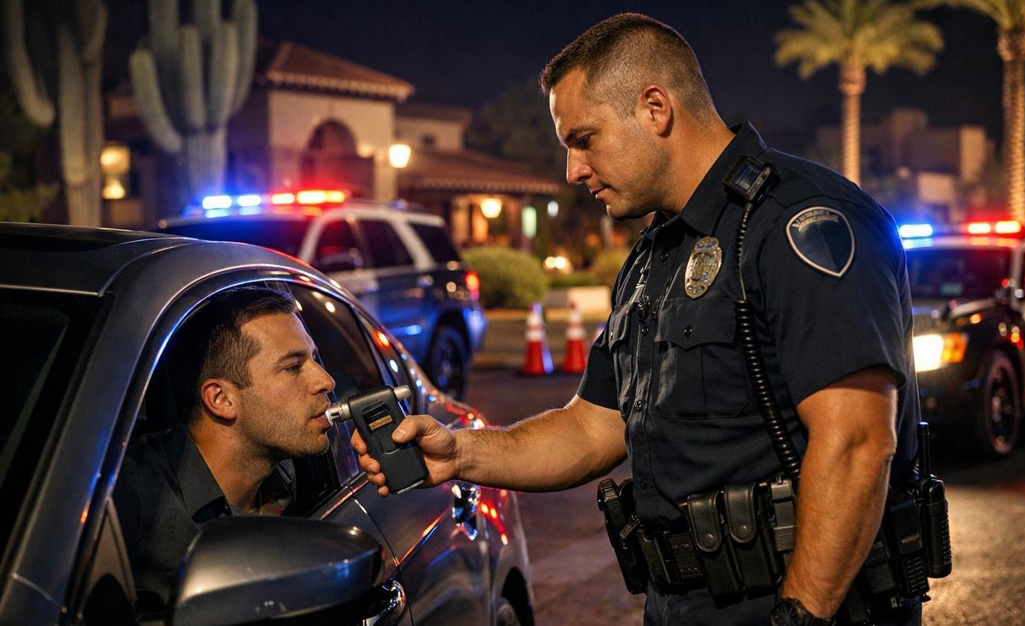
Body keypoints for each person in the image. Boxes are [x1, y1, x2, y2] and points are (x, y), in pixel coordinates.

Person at [353, 13, 921, 626]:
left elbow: (858, 442)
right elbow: (593, 428)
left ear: (655, 109)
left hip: (806, 608)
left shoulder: (800, 221)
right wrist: (460, 454)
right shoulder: (656, 255)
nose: (573, 171)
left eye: (584, 139)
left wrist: (801, 616)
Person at [114, 287, 336, 609]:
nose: (326, 380)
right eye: (292, 366)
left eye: (314, 358)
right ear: (221, 399)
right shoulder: (130, 506)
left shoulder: (291, 471)